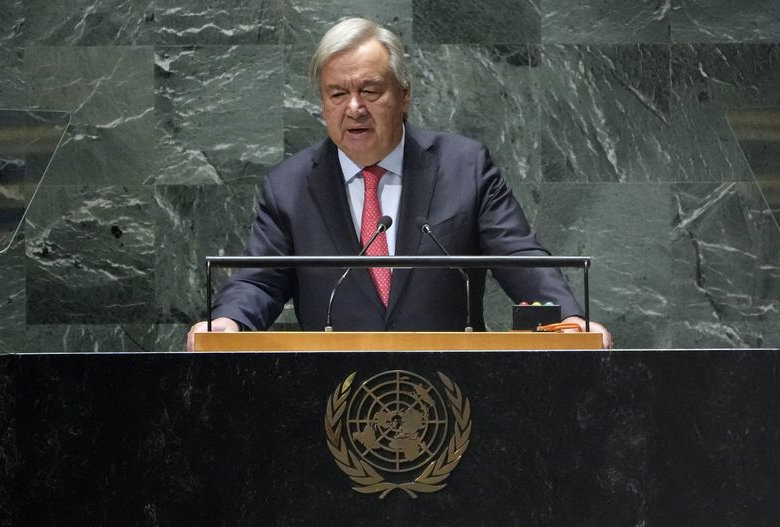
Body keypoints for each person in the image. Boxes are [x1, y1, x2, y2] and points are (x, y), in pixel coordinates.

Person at [186, 18, 612, 350]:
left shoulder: (464, 167)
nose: (354, 108)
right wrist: (228, 322)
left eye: (370, 90)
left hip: (455, 392)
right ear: (322, 104)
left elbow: (519, 257)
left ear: (404, 95)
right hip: (333, 398)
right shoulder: (288, 187)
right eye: (337, 94)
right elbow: (259, 281)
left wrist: (569, 320)